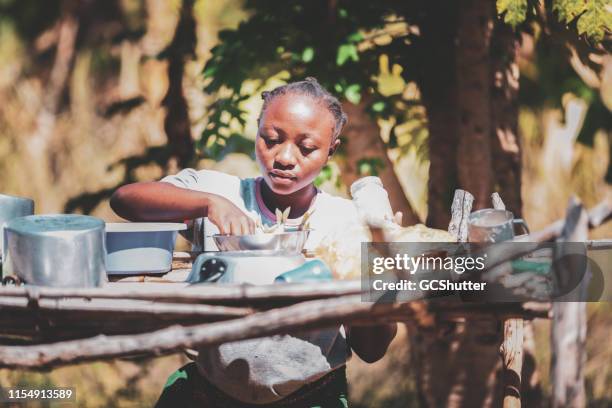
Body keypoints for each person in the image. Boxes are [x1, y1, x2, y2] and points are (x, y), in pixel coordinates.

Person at [110, 77, 397, 407]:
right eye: (271, 139)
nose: (285, 157)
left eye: (306, 148)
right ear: (257, 129)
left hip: (311, 397)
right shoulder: (220, 193)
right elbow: (125, 200)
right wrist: (207, 204)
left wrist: (379, 286)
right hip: (209, 393)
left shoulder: (346, 224)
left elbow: (372, 351)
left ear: (331, 150)